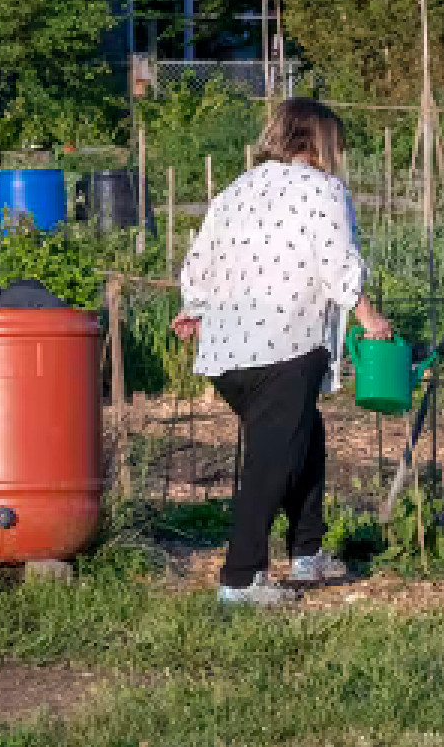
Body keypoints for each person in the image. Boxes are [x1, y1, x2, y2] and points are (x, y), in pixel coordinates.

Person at [172, 98, 393, 606]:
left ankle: (306, 552)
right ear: (319, 142)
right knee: (271, 459)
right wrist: (370, 319)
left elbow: (200, 260)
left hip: (226, 350)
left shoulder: (234, 190)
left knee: (303, 436)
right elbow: (337, 262)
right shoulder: (323, 190)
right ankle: (241, 579)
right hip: (285, 342)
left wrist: (193, 308)